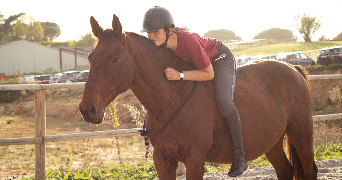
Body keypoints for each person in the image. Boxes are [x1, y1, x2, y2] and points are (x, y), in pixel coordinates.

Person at [140, 6, 248, 177]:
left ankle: (240, 155)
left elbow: (209, 73)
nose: (151, 36)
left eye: (155, 32)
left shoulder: (188, 41)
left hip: (219, 59)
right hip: (199, 63)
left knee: (224, 102)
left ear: (169, 30)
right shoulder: (162, 45)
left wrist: (180, 75)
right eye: (149, 32)